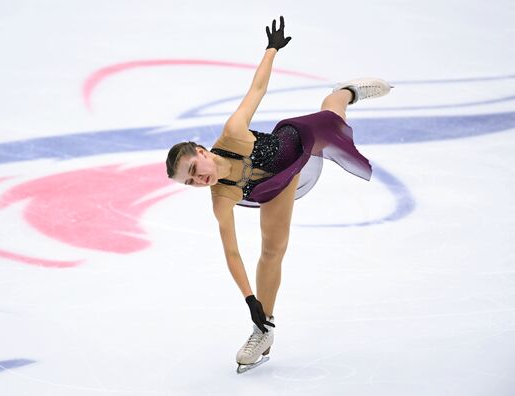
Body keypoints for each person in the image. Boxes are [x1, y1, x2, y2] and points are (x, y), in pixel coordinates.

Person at [166, 16, 391, 373]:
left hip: (296, 141)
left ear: (202, 151)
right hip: (275, 184)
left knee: (333, 110)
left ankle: (348, 91)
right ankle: (263, 329)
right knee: (272, 251)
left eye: (195, 170)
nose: (198, 181)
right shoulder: (221, 197)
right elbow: (232, 252)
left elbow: (256, 91)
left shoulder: (233, 134)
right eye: (189, 183)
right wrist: (250, 299)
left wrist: (270, 50)